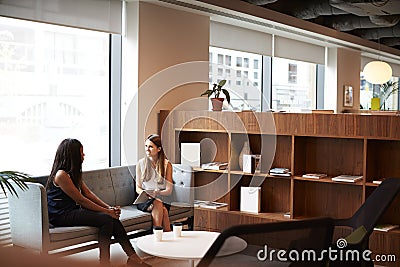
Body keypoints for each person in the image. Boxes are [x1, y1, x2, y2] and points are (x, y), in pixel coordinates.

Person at [46, 138, 150, 267]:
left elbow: (88, 194)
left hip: (71, 211)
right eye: (81, 152)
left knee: (110, 220)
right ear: (73, 155)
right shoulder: (61, 175)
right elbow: (81, 200)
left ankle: (131, 258)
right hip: (60, 215)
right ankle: (109, 262)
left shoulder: (73, 173)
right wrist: (107, 212)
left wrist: (109, 208)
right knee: (107, 219)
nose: (84, 155)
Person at [136, 134, 173, 232]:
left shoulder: (167, 165)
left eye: (151, 147)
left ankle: (157, 235)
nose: (147, 149)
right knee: (161, 207)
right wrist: (146, 194)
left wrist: (158, 193)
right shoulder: (140, 164)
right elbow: (138, 188)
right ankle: (162, 235)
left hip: (162, 197)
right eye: (146, 146)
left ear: (159, 149)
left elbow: (169, 190)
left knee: (160, 204)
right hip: (145, 199)